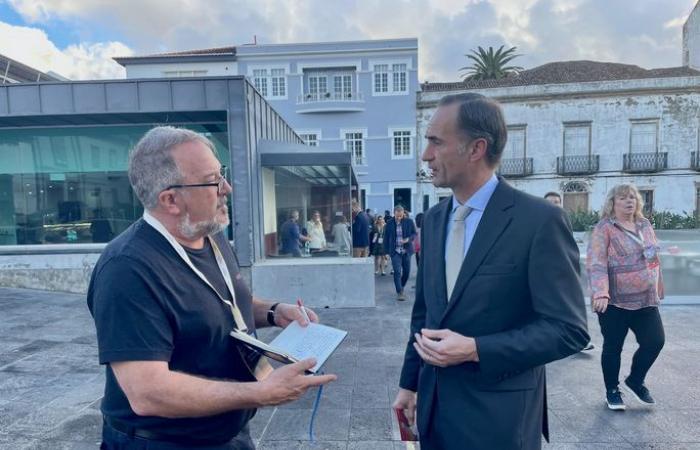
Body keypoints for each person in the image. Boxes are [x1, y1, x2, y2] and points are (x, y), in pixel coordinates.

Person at [86, 126, 336, 449]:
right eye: (213, 180)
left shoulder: (209, 233)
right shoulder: (127, 269)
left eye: (223, 174)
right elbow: (148, 393)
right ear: (171, 199)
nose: (227, 188)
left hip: (229, 434)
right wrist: (260, 393)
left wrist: (274, 312)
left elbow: (220, 303)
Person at [392, 93, 589, 450]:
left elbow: (568, 330)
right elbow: (424, 315)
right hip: (434, 416)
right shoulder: (434, 221)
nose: (426, 155)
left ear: (476, 148)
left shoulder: (539, 221)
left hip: (500, 422)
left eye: (436, 142)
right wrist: (410, 384)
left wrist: (476, 349)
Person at [587, 184, 665, 411]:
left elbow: (652, 256)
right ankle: (612, 390)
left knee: (655, 341)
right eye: (623, 198)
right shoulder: (604, 228)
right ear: (613, 202)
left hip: (646, 299)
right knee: (613, 347)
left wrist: (659, 282)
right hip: (614, 301)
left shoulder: (644, 225)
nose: (629, 201)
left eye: (632, 197)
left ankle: (635, 380)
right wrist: (601, 292)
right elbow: (596, 262)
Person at [544, 191, 596, 353]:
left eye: (557, 202)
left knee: (570, 309)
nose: (554, 205)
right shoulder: (538, 224)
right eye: (550, 202)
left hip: (564, 276)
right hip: (545, 277)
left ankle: (578, 341)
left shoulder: (564, 222)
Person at [383, 205, 416, 301]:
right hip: (395, 251)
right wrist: (385, 252)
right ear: (394, 213)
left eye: (400, 216)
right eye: (397, 216)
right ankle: (400, 292)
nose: (398, 218)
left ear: (403, 214)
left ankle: (401, 286)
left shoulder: (409, 222)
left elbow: (414, 234)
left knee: (406, 272)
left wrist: (408, 239)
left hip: (406, 251)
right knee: (397, 272)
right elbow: (386, 238)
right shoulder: (389, 223)